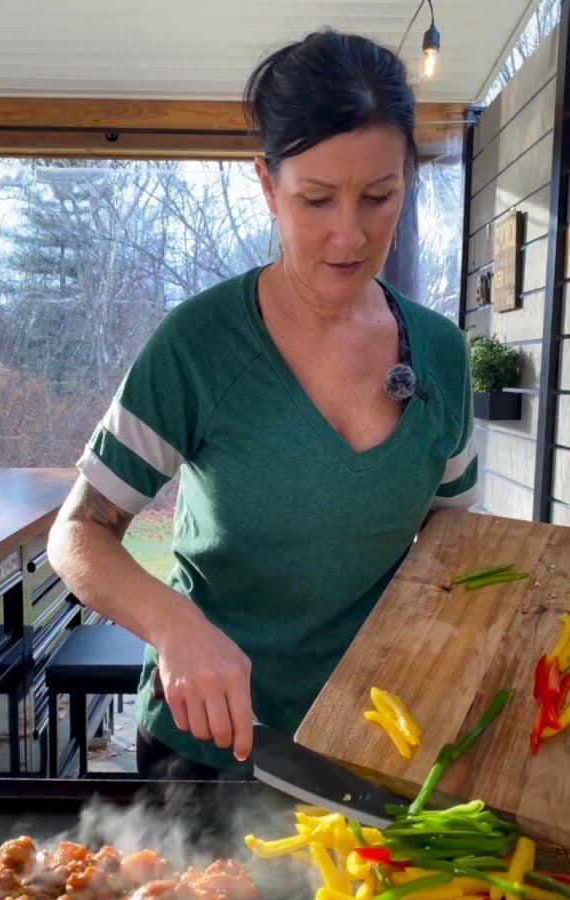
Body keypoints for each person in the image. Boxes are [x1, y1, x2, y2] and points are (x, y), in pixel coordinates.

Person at [47, 29, 478, 780]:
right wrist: (173, 625)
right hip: (207, 740)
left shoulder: (440, 352)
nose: (350, 234)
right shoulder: (198, 345)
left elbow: (456, 542)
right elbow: (78, 532)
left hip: (371, 741)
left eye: (379, 197)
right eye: (317, 199)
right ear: (267, 184)